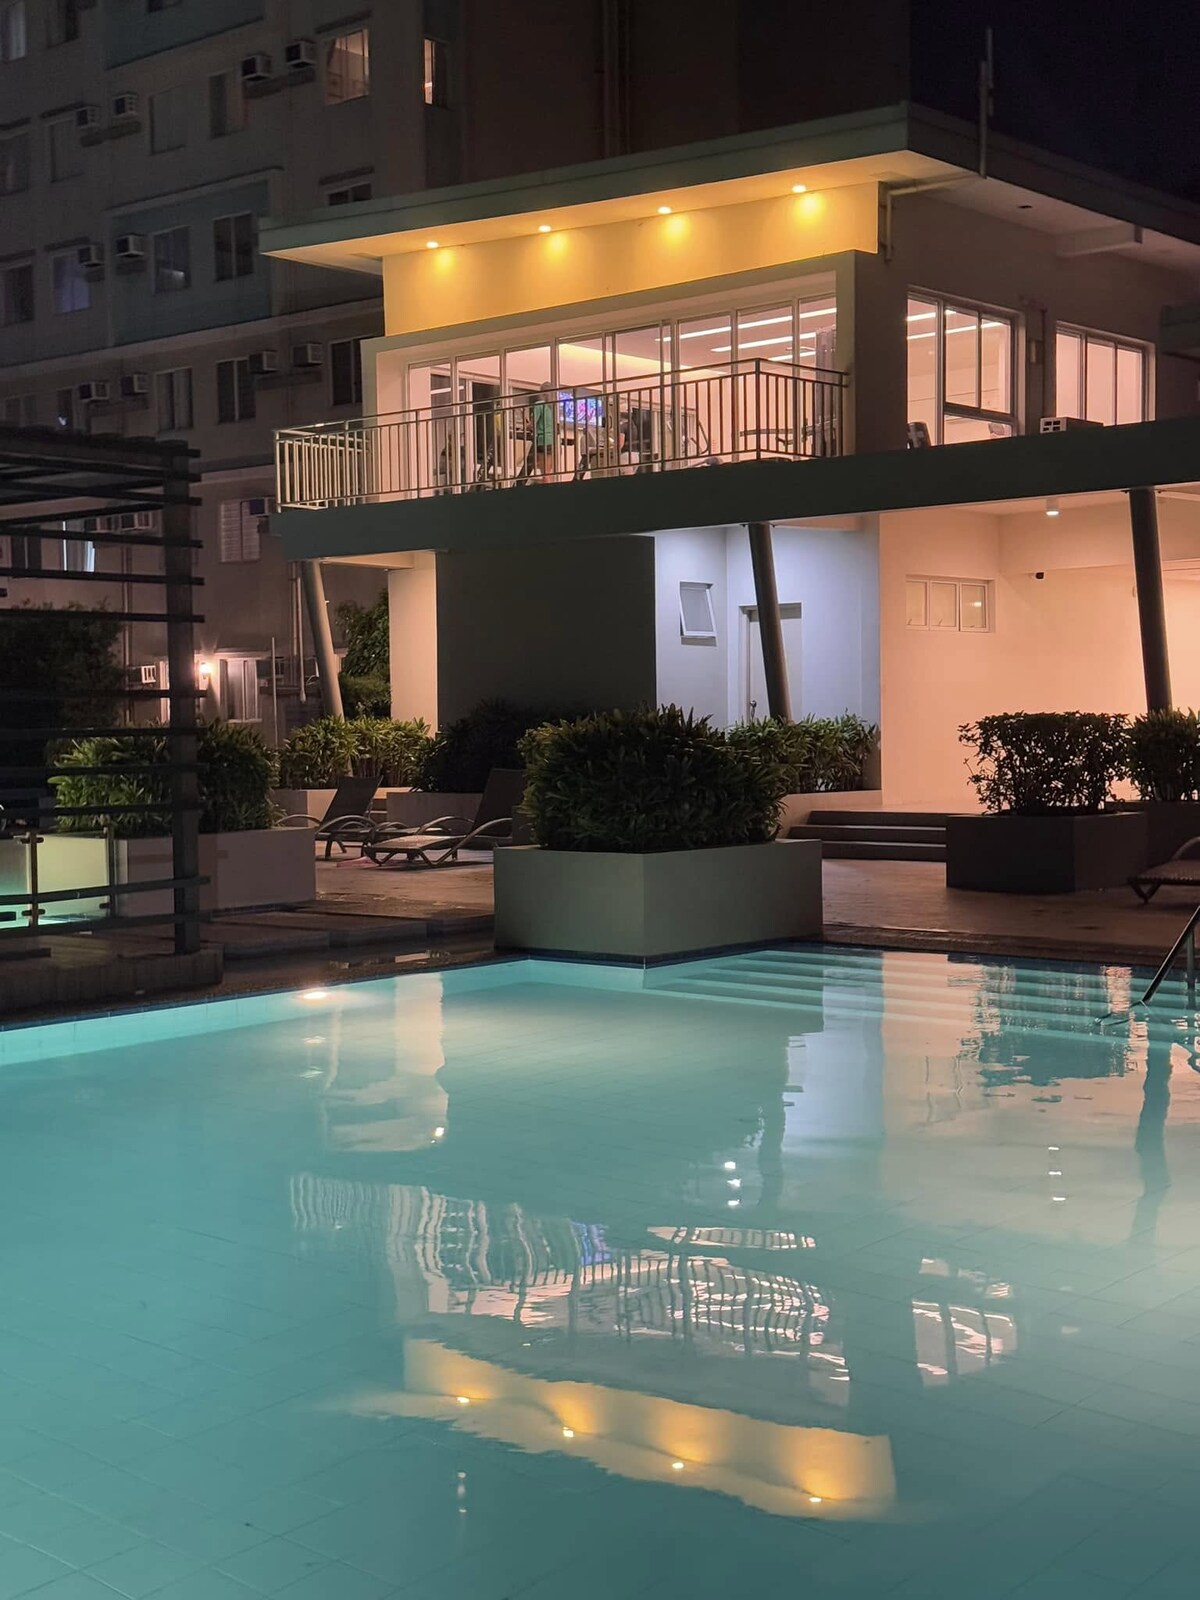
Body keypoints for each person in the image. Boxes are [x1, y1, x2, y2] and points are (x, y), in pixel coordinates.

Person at [531, 382, 558, 481]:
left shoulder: (539, 405)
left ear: (541, 393)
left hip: (542, 440)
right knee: (548, 471)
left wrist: (526, 425)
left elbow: (533, 423)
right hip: (553, 440)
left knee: (544, 472)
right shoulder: (554, 406)